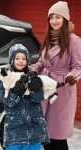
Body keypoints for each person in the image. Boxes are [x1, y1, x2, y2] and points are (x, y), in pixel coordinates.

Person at [32, 1, 81, 150]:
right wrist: (31, 70)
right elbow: (41, 63)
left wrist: (71, 77)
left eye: (58, 17)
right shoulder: (49, 39)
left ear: (65, 19)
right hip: (44, 89)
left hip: (61, 91)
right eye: (51, 17)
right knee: (45, 136)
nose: (54, 20)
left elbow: (78, 67)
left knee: (57, 136)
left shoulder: (74, 40)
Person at [0, 43, 50, 150]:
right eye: (17, 58)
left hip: (34, 128)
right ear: (11, 60)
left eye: (24, 58)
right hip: (14, 130)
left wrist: (34, 88)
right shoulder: (6, 78)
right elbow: (7, 101)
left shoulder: (33, 76)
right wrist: (16, 92)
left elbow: (39, 98)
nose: (21, 61)